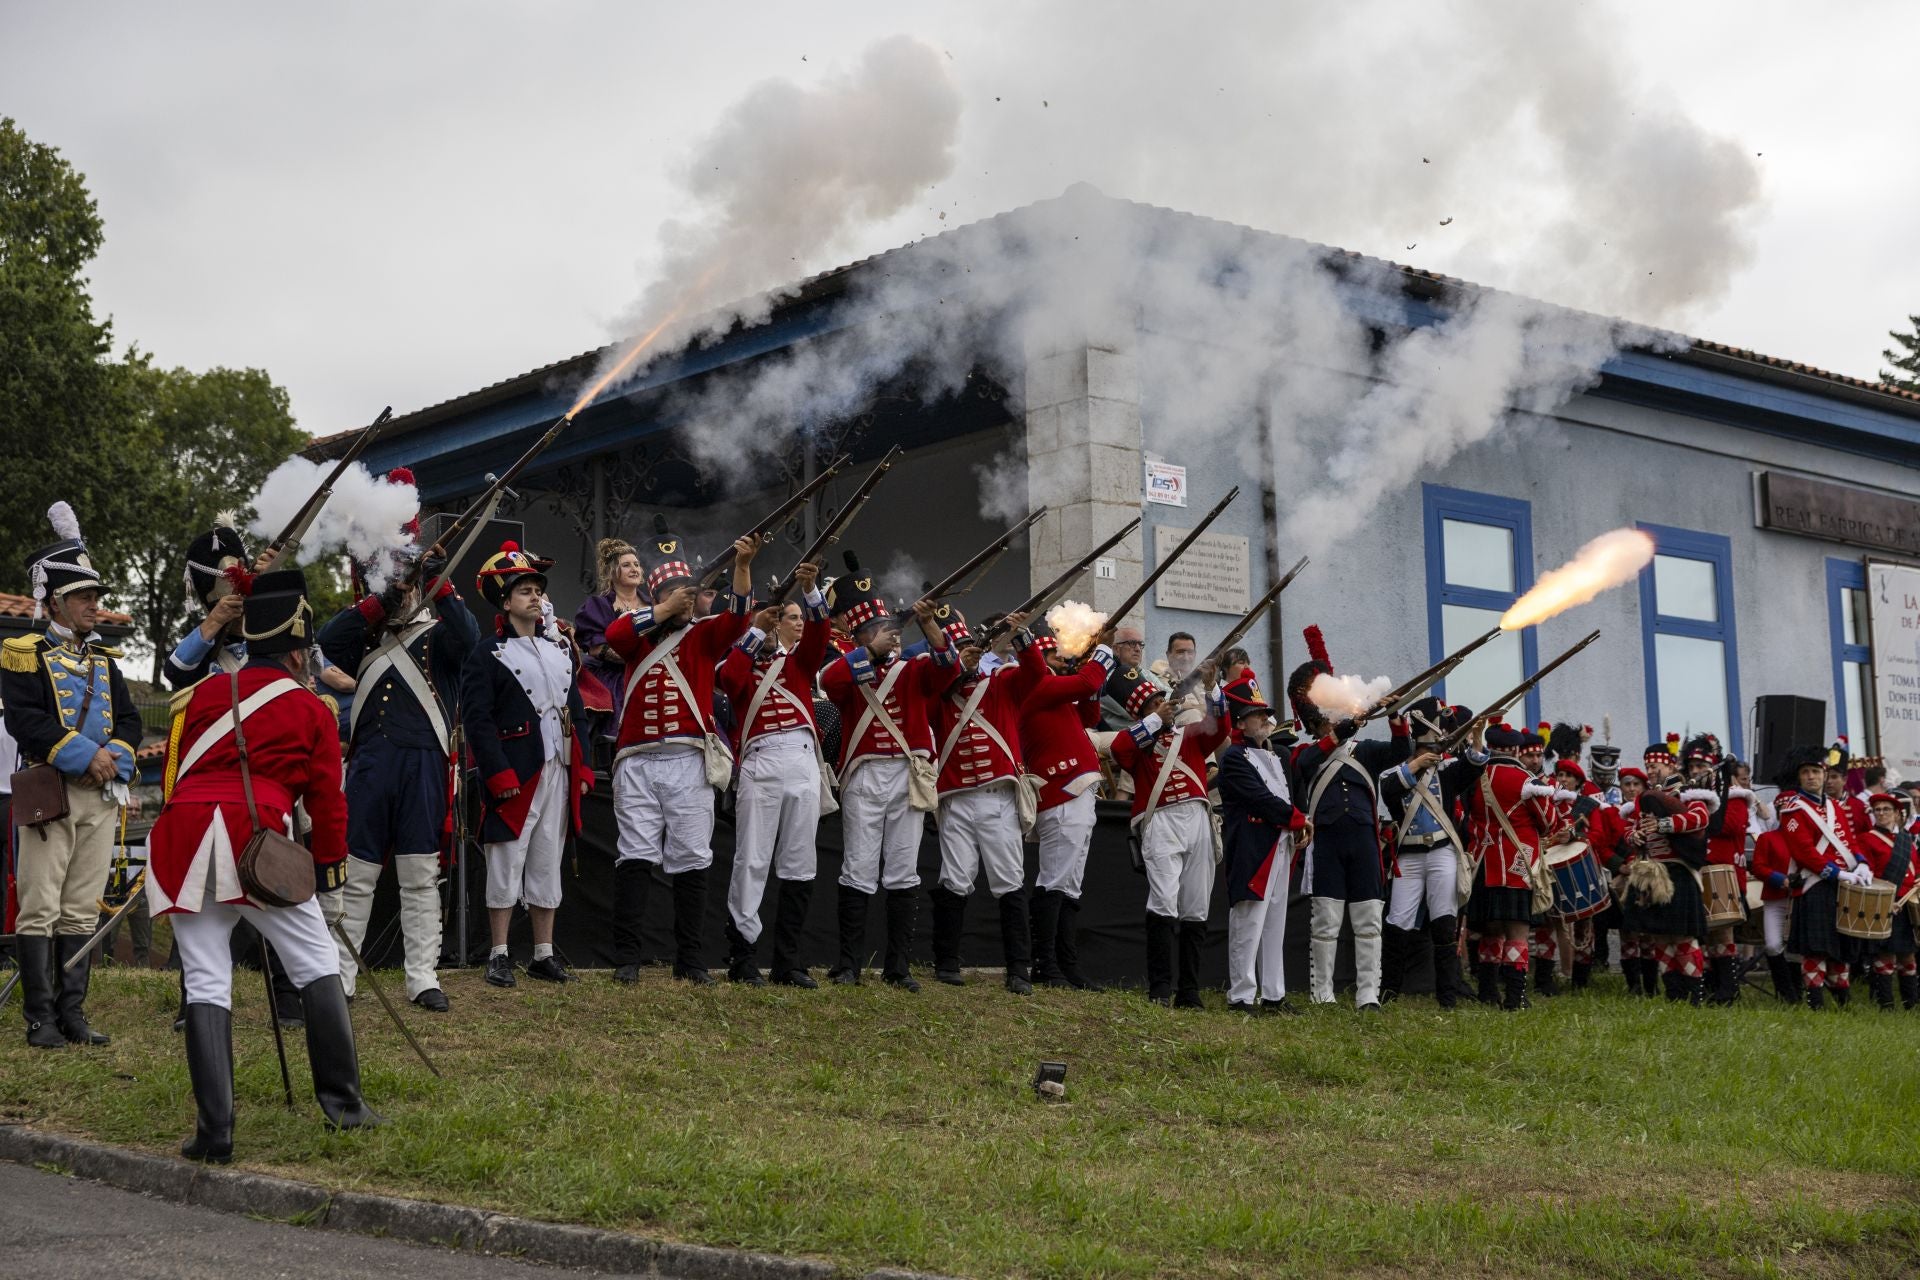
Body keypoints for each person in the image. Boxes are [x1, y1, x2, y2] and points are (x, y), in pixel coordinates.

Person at [145, 570, 379, 1162]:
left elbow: (178, 776)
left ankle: (215, 1134)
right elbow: (328, 801)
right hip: (255, 843)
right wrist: (328, 869)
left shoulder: (197, 696)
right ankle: (345, 1108)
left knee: (204, 977)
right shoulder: (312, 707)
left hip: (182, 841)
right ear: (299, 652)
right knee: (315, 961)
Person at [316, 471, 479, 1013]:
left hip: (426, 762)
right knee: (357, 871)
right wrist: (382, 599)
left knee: (418, 873)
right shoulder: (365, 629)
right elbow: (327, 643)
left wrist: (440, 578)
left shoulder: (442, 629)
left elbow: (471, 639)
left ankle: (422, 977)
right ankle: (342, 975)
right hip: (372, 762)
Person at [2, 504, 143, 1049]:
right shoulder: (22, 653)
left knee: (83, 903)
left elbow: (129, 719)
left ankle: (73, 1014)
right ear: (57, 601)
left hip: (99, 796)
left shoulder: (104, 661)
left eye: (95, 597)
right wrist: (86, 755)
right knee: (41, 903)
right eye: (84, 598)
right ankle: (40, 1018)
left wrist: (115, 755)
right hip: (51, 793)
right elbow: (26, 721)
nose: (94, 606)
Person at [604, 517, 757, 986]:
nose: (683, 598)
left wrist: (743, 566)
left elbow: (738, 619)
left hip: (688, 760)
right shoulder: (636, 630)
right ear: (657, 595)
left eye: (684, 590)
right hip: (636, 760)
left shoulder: (704, 634)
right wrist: (666, 608)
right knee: (635, 856)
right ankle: (627, 958)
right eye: (672, 590)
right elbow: (615, 638)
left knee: (692, 857)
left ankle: (690, 959)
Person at [817, 554, 954, 989]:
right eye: (878, 632)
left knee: (902, 869)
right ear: (861, 637)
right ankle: (848, 965)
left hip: (907, 775)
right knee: (857, 867)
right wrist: (868, 653)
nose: (888, 638)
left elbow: (949, 668)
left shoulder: (913, 670)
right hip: (864, 774)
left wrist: (930, 624)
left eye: (890, 632)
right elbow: (830, 680)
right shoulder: (850, 668)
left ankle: (898, 968)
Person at [461, 542, 593, 989]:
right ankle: (499, 953)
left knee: (546, 859)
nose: (535, 597)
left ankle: (543, 953)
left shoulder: (558, 652)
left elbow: (576, 711)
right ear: (505, 601)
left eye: (537, 590)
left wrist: (585, 767)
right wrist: (497, 773)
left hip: (558, 768)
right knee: (505, 858)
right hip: (516, 770)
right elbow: (477, 721)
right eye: (524, 591)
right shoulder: (486, 654)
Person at [713, 561, 832, 988]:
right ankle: (743, 958)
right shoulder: (741, 660)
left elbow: (820, 636)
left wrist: (811, 589)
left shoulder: (798, 665)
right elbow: (729, 678)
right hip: (761, 763)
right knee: (753, 860)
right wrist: (753, 632)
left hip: (802, 762)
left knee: (800, 863)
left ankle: (789, 961)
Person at [1287, 626, 1412, 1012]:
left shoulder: (1367, 750)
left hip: (1363, 841)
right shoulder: (1307, 753)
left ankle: (1367, 994)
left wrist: (1394, 715)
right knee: (1325, 923)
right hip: (1326, 841)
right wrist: (1336, 737)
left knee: (1369, 920)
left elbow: (1401, 749)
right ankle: (1322, 993)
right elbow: (1307, 766)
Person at [925, 609, 1044, 994]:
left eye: (968, 649)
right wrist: (953, 668)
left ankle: (1019, 969)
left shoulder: (1002, 682)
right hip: (956, 799)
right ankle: (946, 962)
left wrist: (1020, 635)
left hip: (997, 798)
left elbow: (1037, 676)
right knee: (954, 880)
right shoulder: (937, 695)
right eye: (957, 651)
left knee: (1009, 882)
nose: (966, 656)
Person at [1107, 661, 1225, 1008]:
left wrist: (1212, 687)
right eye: (1153, 704)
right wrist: (1155, 719)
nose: (1164, 706)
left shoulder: (1188, 737)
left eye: (1163, 701)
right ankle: (1159, 988)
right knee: (1162, 901)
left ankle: (1189, 990)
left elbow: (1219, 728)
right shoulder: (1137, 743)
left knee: (1196, 905)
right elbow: (1119, 751)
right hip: (1159, 820)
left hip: (1197, 818)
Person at [1016, 632, 1115, 989]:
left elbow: (1089, 710)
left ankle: (1066, 963)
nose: (1062, 660)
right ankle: (1045, 964)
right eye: (1054, 656)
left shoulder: (1057, 694)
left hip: (1079, 791)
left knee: (1070, 884)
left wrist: (1093, 672)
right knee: (1055, 879)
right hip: (1060, 792)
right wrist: (1101, 653)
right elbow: (1088, 679)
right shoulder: (1037, 688)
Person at [1378, 698, 1483, 1008]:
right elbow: (1389, 790)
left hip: (1441, 853)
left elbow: (1476, 763)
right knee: (1397, 923)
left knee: (1443, 924)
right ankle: (1389, 991)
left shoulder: (1448, 769)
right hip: (1408, 856)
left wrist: (1478, 734)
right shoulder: (1396, 773)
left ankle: (1447, 997)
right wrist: (1416, 765)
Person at [1216, 681, 1310, 1013]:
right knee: (1248, 921)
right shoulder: (1233, 759)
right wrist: (1297, 819)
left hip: (1279, 845)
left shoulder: (1274, 756)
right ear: (1240, 722)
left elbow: (1282, 797)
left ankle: (1273, 994)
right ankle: (1241, 995)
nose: (1265, 719)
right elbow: (1261, 799)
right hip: (1254, 848)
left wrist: (1296, 824)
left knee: (1274, 923)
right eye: (1257, 714)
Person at [1615, 740, 1715, 1004]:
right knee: (1660, 937)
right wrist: (1634, 835)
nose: (1651, 770)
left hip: (1679, 870)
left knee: (1682, 937)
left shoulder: (1687, 792)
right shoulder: (1644, 800)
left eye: (1655, 765)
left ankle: (1694, 993)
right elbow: (1629, 829)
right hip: (1651, 873)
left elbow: (1700, 819)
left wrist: (1663, 824)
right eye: (1648, 766)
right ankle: (1674, 993)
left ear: (1670, 764)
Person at [1462, 722, 1553, 1010]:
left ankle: (1488, 990)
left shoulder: (1475, 775)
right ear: (1515, 749)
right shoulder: (1527, 780)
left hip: (1483, 867)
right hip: (1516, 866)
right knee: (1516, 932)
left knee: (1490, 931)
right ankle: (1515, 997)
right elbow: (1547, 821)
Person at [1777, 744, 1864, 1009]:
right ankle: (1816, 1004)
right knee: (1815, 948)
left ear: (1824, 775)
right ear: (1800, 777)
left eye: (1815, 771)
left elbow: (1849, 841)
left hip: (1842, 884)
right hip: (1815, 885)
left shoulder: (1837, 807)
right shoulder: (1793, 810)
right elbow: (1804, 853)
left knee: (1839, 948)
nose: (1811, 777)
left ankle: (1843, 1002)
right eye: (1806, 772)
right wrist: (1836, 873)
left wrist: (1861, 863)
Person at [165, 519, 263, 688]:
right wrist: (215, 621)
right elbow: (175, 671)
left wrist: (272, 584)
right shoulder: (204, 642)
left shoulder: (268, 630)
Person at [574, 538, 644, 737]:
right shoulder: (598, 605)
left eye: (637, 564)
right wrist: (635, 659)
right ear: (612, 572)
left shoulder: (653, 603)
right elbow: (596, 647)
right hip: (614, 679)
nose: (634, 569)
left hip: (650, 674)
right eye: (626, 565)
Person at [1858, 791, 1917, 1010]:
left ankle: (1911, 1004)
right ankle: (1886, 1004)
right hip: (1884, 903)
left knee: (1908, 956)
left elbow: (1916, 868)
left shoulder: (1905, 840)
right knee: (1886, 955)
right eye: (1878, 810)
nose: (1881, 814)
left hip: (1908, 904)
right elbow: (1868, 876)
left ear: (1896, 814)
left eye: (1886, 810)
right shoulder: (1867, 839)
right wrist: (1884, 901)